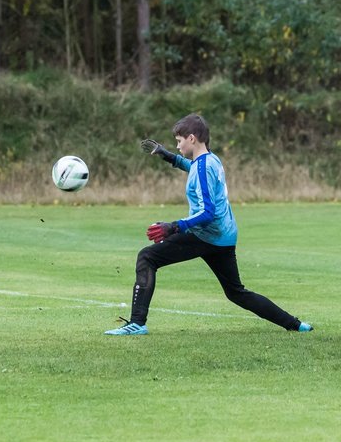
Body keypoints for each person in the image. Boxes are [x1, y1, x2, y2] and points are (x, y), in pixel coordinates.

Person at [104, 113, 313, 335]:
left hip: (206, 235)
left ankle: (137, 323)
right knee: (236, 292)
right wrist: (169, 157)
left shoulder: (203, 167)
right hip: (224, 236)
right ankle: (296, 325)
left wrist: (174, 226)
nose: (177, 145)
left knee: (147, 257)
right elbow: (194, 167)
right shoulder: (211, 159)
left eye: (179, 141)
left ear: (191, 138)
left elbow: (207, 212)